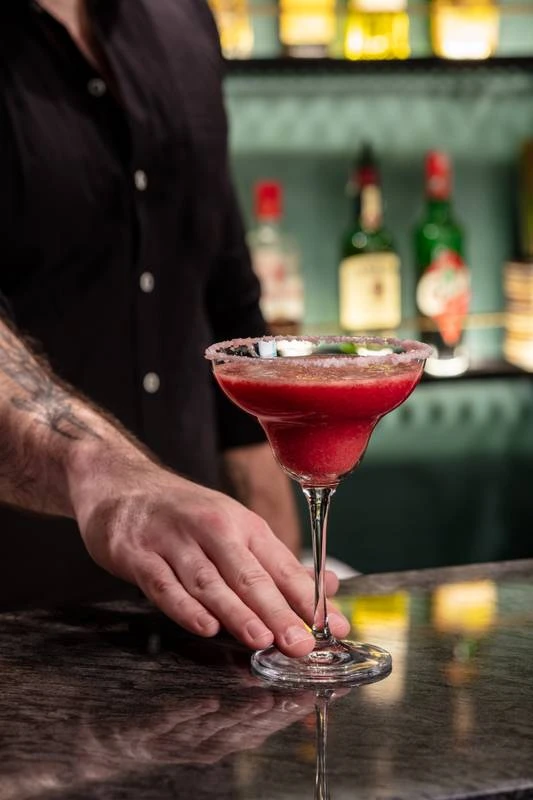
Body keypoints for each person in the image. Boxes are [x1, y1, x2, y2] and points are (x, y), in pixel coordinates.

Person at [0, 0, 351, 650]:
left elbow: (224, 284)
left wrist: (275, 545)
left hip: (202, 613)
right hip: (22, 618)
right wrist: (102, 472)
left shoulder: (180, 16)